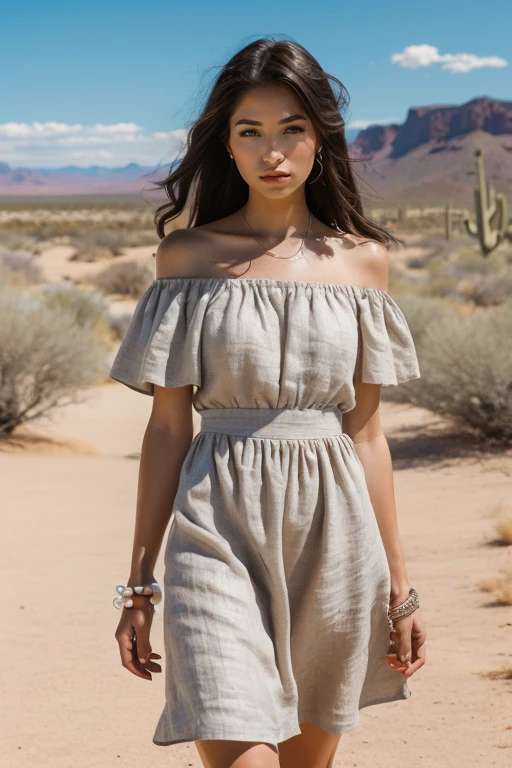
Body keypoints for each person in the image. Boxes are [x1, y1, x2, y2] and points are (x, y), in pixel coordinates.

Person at [111, 36, 427, 768]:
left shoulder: (362, 261)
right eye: (249, 132)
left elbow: (367, 433)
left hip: (334, 534)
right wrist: (139, 584)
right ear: (226, 144)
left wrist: (400, 589)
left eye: (291, 129)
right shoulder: (188, 257)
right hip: (214, 522)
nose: (272, 151)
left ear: (321, 137)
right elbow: (166, 430)